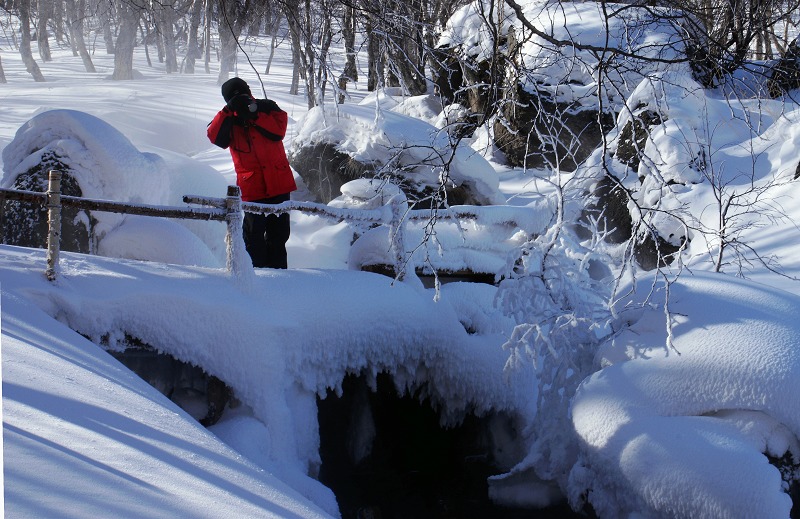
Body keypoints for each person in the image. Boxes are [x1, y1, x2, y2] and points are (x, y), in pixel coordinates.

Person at [207, 77, 296, 269]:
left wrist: (254, 116)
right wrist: (227, 111)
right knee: (253, 238)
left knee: (279, 237)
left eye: (242, 93)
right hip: (252, 188)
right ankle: (257, 277)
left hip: (279, 185)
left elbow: (279, 130)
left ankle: (280, 278)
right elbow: (214, 137)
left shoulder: (267, 107)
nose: (241, 98)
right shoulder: (228, 119)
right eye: (234, 97)